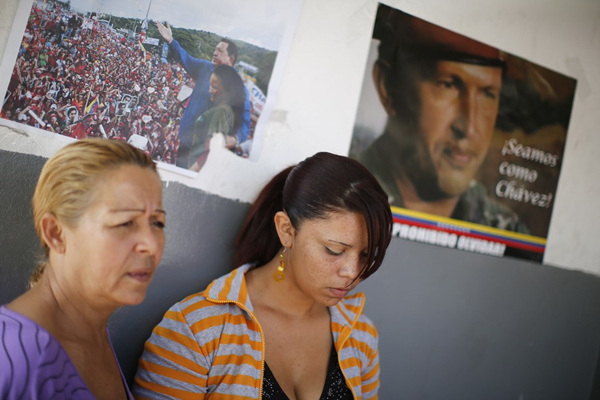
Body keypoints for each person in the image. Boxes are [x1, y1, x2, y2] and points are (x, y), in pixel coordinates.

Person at [133, 152, 393, 399]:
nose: (352, 271)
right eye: (334, 250)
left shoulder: (360, 335)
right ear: (287, 230)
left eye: (366, 254)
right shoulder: (195, 330)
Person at [0, 139, 166, 399]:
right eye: (124, 223)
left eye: (157, 223)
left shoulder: (92, 332)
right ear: (55, 234)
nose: (151, 245)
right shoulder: (14, 358)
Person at [357, 4, 528, 233]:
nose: (469, 129)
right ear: (387, 87)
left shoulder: (507, 229)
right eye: (448, 85)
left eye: (488, 93)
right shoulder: (343, 198)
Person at [155, 21, 251, 168]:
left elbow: (244, 122)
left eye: (220, 51)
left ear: (230, 59)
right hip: (186, 141)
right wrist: (171, 41)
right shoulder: (205, 68)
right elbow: (186, 58)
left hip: (204, 150)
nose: (215, 53)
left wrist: (235, 138)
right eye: (215, 49)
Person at [187, 64, 246, 171]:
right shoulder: (222, 109)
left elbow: (212, 150)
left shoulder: (222, 111)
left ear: (229, 91)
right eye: (210, 85)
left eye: (214, 87)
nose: (209, 90)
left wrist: (191, 172)